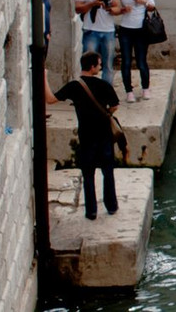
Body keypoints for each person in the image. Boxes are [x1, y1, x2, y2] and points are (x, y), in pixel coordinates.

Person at [45, 52, 120, 219]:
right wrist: (106, 111)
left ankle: (91, 211)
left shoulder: (74, 86)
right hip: (104, 135)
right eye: (99, 65)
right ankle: (112, 206)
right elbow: (115, 106)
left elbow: (50, 100)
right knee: (108, 172)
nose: (100, 67)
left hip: (87, 136)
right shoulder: (103, 85)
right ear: (92, 66)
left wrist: (44, 78)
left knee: (88, 174)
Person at [74, 0, 123, 86]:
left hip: (108, 30)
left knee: (107, 64)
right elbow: (77, 8)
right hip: (91, 30)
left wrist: (110, 8)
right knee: (88, 64)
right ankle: (88, 91)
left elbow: (117, 7)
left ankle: (106, 93)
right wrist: (92, 3)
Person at [115, 0, 156, 103]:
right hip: (126, 29)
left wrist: (143, 1)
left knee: (141, 60)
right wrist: (122, 9)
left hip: (141, 29)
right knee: (126, 61)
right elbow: (113, 5)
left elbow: (152, 6)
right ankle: (129, 91)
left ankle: (145, 88)